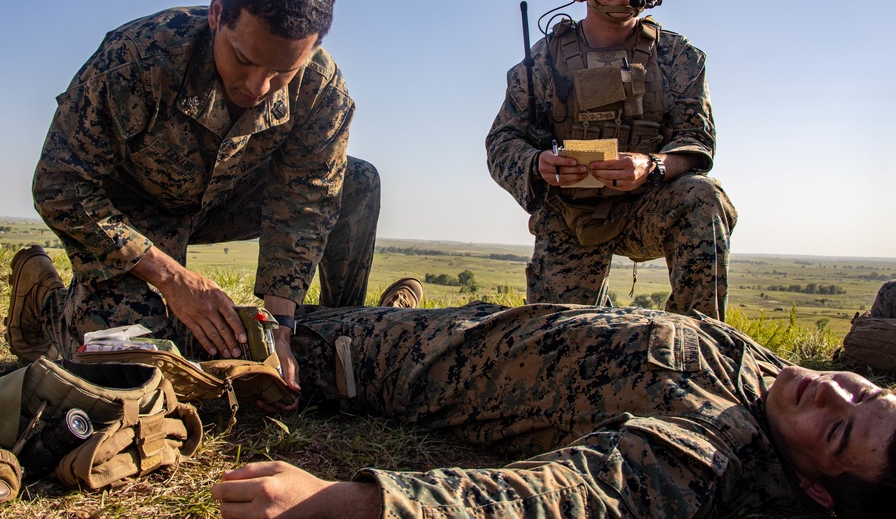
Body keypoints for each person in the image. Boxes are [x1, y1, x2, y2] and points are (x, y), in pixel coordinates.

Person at [12, 0, 387, 408]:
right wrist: (171, 279)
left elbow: (305, 205)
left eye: (282, 73)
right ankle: (44, 299)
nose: (258, 87)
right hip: (137, 213)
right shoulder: (138, 59)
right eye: (244, 60)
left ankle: (338, 329)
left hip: (228, 200)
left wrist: (280, 330)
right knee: (118, 362)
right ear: (216, 14)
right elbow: (58, 185)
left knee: (357, 182)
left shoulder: (323, 90)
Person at [211, 302, 896, 518]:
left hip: (389, 366)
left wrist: (348, 501)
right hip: (468, 323)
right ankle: (400, 300)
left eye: (837, 430)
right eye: (864, 389)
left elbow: (558, 496)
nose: (833, 389)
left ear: (812, 486)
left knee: (230, 345)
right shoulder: (786, 388)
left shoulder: (710, 455)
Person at [486, 0, 736, 319]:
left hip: (649, 205)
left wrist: (653, 165)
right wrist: (537, 164)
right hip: (570, 213)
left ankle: (700, 345)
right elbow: (502, 143)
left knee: (703, 197)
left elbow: (697, 144)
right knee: (561, 337)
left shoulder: (677, 57)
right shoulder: (543, 62)